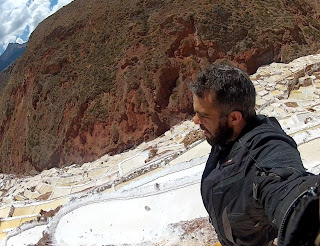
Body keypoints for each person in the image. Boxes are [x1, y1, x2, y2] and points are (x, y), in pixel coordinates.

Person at [189, 63, 320, 246]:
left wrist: (307, 214)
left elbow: (287, 188)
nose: (196, 121)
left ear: (234, 118)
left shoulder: (264, 150)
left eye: (203, 115)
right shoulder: (226, 135)